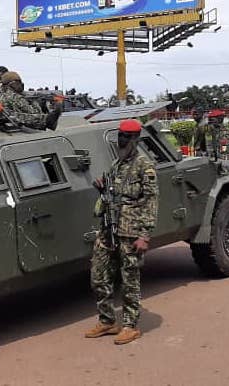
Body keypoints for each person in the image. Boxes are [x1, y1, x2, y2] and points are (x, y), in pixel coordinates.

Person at [86, 119, 158, 345]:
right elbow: (112, 189)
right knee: (98, 276)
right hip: (109, 228)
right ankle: (107, 320)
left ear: (135, 139)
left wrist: (144, 235)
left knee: (129, 280)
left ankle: (130, 325)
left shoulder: (144, 165)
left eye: (126, 137)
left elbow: (151, 200)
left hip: (131, 230)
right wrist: (102, 185)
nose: (122, 140)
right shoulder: (117, 163)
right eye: (120, 136)